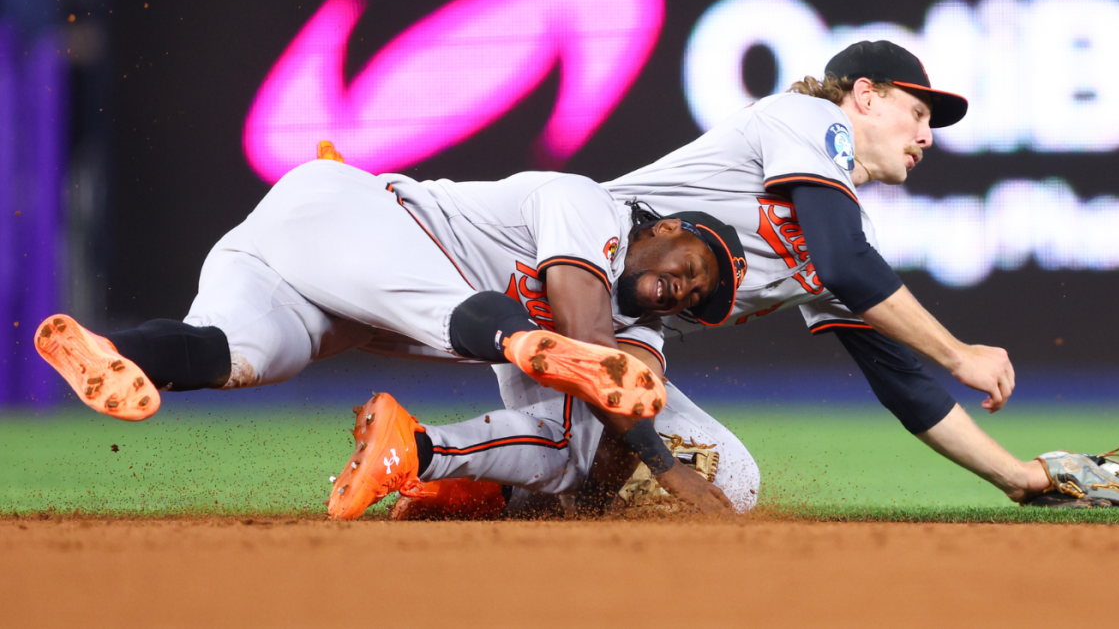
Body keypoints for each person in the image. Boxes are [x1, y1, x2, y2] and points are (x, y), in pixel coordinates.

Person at [389, 40, 1054, 517]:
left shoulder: (843, 232)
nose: (927, 134)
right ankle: (425, 455)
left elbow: (901, 383)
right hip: (568, 277)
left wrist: (1016, 476)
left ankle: (471, 500)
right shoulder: (806, 119)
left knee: (725, 480)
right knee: (585, 450)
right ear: (865, 96)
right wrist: (959, 352)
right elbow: (844, 259)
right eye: (917, 112)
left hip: (623, 343)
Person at [34, 152, 749, 518]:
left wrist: (586, 501)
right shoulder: (589, 205)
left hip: (318, 285)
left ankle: (119, 350)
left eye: (702, 298)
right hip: (353, 217)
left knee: (232, 353)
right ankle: (511, 348)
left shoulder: (643, 332)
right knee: (472, 316)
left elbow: (611, 416)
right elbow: (586, 334)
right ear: (665, 228)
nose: (691, 289)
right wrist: (670, 466)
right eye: (696, 267)